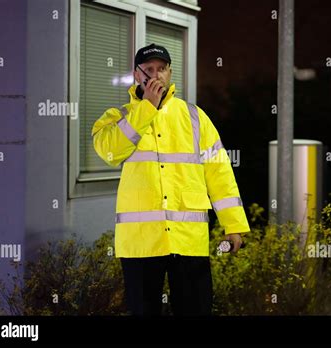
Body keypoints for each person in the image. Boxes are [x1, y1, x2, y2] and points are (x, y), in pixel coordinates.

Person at [91, 43, 250, 316]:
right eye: (149, 69)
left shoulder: (195, 117)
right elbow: (110, 151)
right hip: (141, 244)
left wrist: (233, 225)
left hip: (188, 240)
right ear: (136, 75)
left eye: (162, 69)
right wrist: (147, 108)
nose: (156, 75)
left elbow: (220, 173)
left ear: (170, 72)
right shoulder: (117, 118)